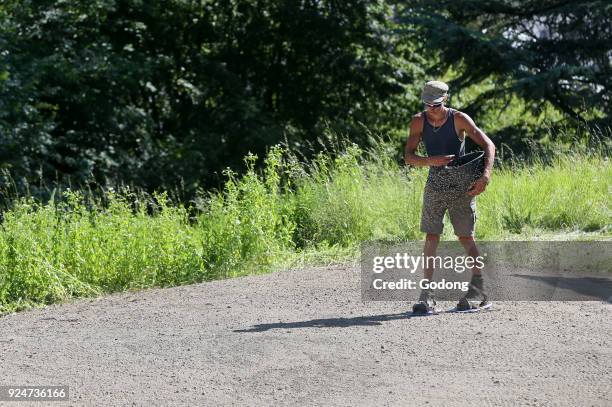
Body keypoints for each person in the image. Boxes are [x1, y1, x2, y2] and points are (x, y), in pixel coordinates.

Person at [404, 81, 496, 312]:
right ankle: (426, 296)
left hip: (462, 185)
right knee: (431, 236)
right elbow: (408, 156)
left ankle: (480, 290)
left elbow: (489, 145)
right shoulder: (418, 121)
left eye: (435, 104)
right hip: (435, 184)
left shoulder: (459, 119)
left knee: (465, 237)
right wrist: (428, 161)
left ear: (445, 99)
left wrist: (485, 175)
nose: (431, 109)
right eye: (427, 104)